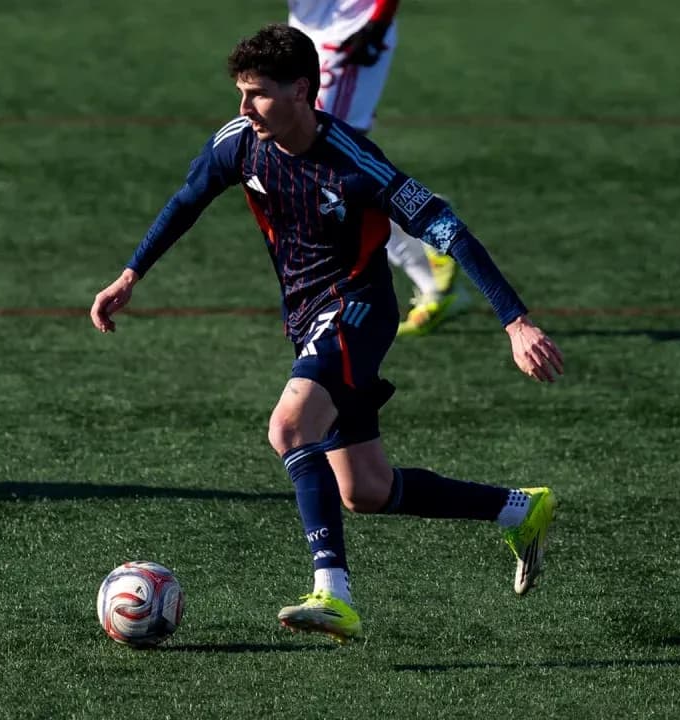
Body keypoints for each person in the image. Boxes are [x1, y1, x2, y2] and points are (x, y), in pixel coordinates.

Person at [90, 24, 562, 643]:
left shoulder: (357, 161)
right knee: (364, 490)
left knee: (288, 427)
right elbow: (186, 201)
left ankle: (332, 592)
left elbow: (449, 231)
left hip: (358, 309)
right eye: (241, 92)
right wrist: (130, 275)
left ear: (302, 92)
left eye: (257, 94)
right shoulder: (240, 144)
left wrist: (515, 320)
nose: (243, 107)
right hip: (305, 315)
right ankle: (520, 510)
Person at [288, 0, 462, 336]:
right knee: (325, 175)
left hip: (348, 26)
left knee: (324, 161)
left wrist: (380, 19)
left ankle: (428, 221)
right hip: (310, 21)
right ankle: (434, 283)